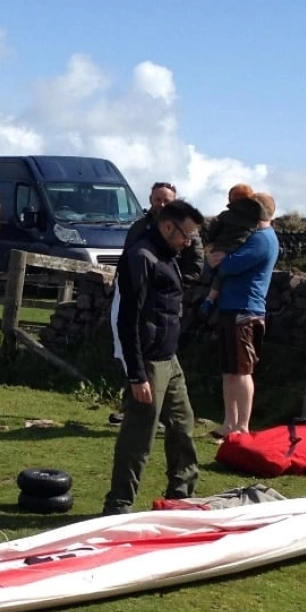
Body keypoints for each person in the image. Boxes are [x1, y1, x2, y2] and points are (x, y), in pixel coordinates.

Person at [102, 199, 208, 516]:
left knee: (182, 425)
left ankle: (181, 494)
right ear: (166, 227)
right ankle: (119, 505)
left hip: (169, 359)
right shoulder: (141, 257)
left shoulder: (168, 255)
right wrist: (136, 374)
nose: (188, 243)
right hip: (148, 361)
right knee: (139, 436)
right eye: (185, 235)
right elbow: (127, 319)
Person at [201, 190, 278, 437]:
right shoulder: (254, 237)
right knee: (230, 370)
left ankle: (242, 427)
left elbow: (229, 265)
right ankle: (229, 423)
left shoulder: (263, 240)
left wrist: (221, 259)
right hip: (232, 308)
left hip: (245, 311)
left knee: (242, 371)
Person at [126, 182, 203, 286]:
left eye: (166, 201)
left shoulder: (186, 230)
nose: (162, 204)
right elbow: (127, 259)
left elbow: (196, 264)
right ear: (150, 199)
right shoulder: (138, 228)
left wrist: (176, 286)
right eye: (158, 199)